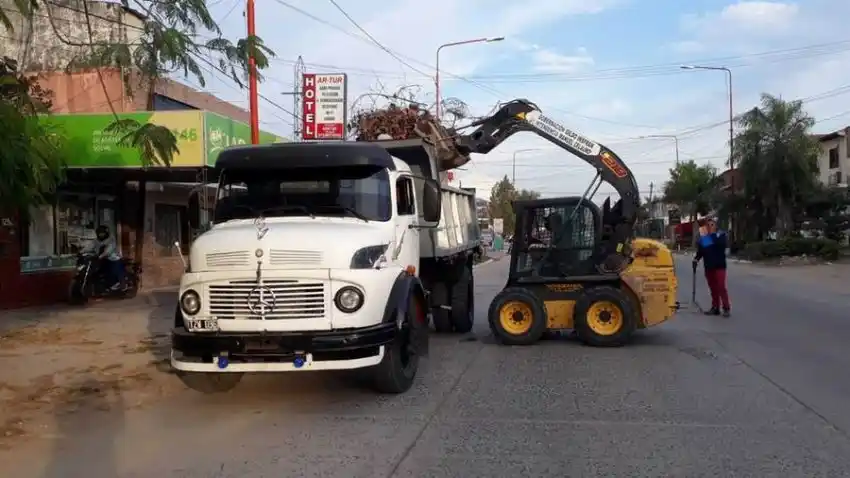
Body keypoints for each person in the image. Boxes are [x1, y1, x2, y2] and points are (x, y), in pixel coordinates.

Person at [693, 217, 730, 317]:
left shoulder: (720, 235)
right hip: (709, 266)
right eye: (708, 225)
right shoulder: (705, 238)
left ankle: (726, 307)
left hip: (719, 266)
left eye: (712, 225)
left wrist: (706, 234)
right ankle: (715, 307)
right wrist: (696, 259)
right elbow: (702, 251)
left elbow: (720, 244)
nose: (710, 227)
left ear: (715, 225)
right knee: (713, 288)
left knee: (721, 287)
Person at [85, 225, 124, 290]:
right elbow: (89, 247)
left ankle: (119, 283)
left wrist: (101, 256)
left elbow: (108, 250)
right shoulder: (96, 241)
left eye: (102, 233)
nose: (101, 235)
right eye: (99, 233)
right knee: (97, 270)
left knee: (113, 270)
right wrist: (80, 252)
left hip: (113, 259)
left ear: (106, 233)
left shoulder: (111, 239)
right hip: (102, 259)